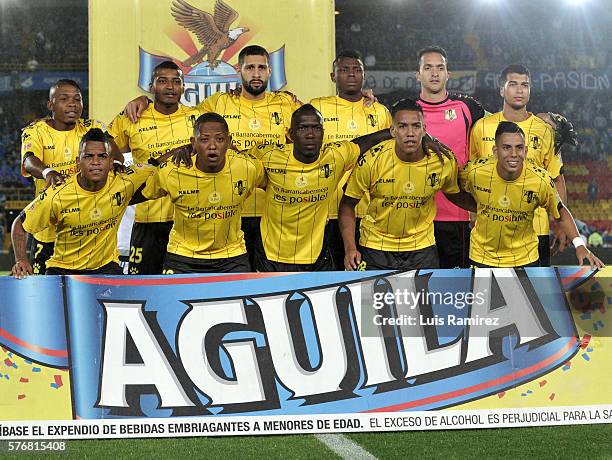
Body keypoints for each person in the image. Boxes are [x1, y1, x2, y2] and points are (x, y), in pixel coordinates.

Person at [124, 45, 300, 269]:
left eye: (262, 67)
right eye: (250, 67)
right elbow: (176, 109)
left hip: (269, 213)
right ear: (239, 71)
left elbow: (310, 124)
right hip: (228, 212)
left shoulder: (287, 104)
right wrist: (146, 100)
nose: (256, 73)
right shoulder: (217, 103)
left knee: (261, 286)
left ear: (270, 71)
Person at [249, 104, 392, 272]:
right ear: (290, 134)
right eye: (303, 128)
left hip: (315, 257)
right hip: (270, 256)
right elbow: (234, 159)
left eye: (316, 128)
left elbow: (365, 142)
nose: (310, 134)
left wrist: (395, 131)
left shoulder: (335, 156)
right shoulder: (268, 156)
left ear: (323, 133)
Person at [339, 99, 474, 271]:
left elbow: (454, 193)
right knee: (374, 299)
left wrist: (485, 207)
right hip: (376, 247)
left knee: (423, 299)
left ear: (425, 130)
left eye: (416, 126)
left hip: (421, 248)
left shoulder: (443, 161)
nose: (410, 133)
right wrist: (350, 248)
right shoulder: (371, 160)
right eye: (402, 126)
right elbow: (347, 204)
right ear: (392, 131)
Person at [11, 129, 153, 278]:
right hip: (63, 270)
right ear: (78, 161)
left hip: (106, 267)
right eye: (89, 156)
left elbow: (159, 166)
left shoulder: (124, 181)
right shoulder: (58, 193)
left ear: (111, 161)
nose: (96, 162)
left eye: (102, 156)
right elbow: (20, 225)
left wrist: (179, 151)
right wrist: (21, 260)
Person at [461, 122, 602, 269]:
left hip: (525, 259)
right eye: (506, 147)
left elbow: (560, 211)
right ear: (495, 151)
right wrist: (476, 205)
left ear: (526, 151)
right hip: (481, 257)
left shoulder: (540, 180)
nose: (514, 154)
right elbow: (452, 188)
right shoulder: (475, 171)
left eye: (519, 147)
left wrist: (579, 245)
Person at [135, 113, 264, 273]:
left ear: (229, 142)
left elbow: (277, 180)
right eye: (204, 139)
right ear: (193, 143)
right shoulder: (172, 170)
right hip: (183, 256)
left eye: (219, 139)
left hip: (232, 256)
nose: (212, 146)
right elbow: (136, 194)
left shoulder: (247, 168)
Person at [108, 60, 201, 274]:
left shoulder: (196, 117)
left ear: (183, 87)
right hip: (146, 220)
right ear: (151, 87)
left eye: (176, 81)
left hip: (185, 221)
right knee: (142, 288)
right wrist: (117, 163)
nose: (170, 87)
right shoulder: (133, 117)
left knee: (181, 289)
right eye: (162, 81)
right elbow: (107, 140)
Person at [469, 64, 567, 267]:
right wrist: (473, 217)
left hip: (535, 231)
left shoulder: (545, 130)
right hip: (489, 236)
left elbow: (556, 178)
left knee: (532, 298)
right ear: (501, 89)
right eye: (513, 84)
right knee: (488, 297)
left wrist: (560, 225)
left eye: (525, 85)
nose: (520, 89)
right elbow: (471, 177)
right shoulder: (481, 127)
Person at [20, 79, 119, 274]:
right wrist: (48, 172)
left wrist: (115, 162)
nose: (73, 103)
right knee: (48, 294)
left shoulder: (93, 128)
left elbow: (115, 155)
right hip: (49, 233)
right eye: (64, 99)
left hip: (87, 229)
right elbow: (28, 161)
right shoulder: (36, 131)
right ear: (51, 105)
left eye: (77, 99)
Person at [310, 49, 392, 270]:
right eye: (344, 70)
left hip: (367, 211)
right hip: (324, 212)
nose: (351, 74)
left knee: (362, 278)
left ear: (364, 75)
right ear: (333, 76)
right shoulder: (317, 108)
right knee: (328, 278)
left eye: (357, 70)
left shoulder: (380, 111)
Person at [415, 46, 486, 269]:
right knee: (419, 292)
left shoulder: (467, 107)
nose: (434, 73)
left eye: (440, 68)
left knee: (456, 291)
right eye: (428, 68)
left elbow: (499, 123)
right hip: (415, 216)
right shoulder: (406, 111)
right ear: (418, 74)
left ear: (448, 74)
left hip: (457, 216)